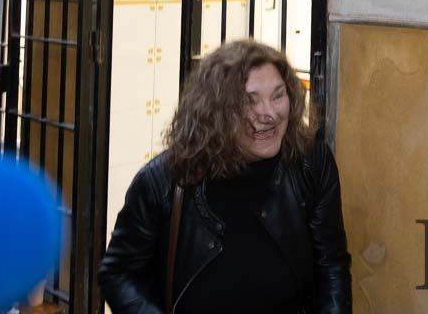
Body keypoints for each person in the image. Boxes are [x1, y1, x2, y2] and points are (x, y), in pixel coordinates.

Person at [100, 40, 352, 314]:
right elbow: (118, 274)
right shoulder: (163, 181)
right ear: (215, 112)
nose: (268, 113)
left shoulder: (311, 165)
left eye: (278, 95)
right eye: (249, 100)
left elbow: (332, 266)